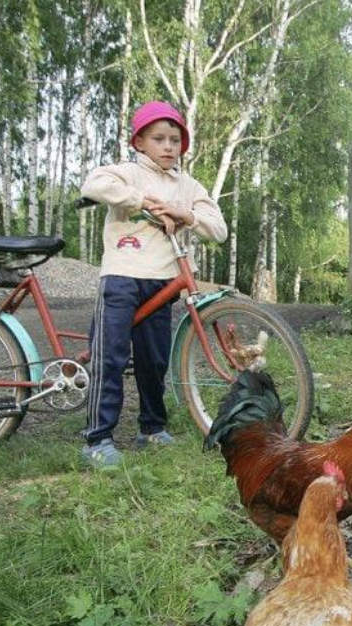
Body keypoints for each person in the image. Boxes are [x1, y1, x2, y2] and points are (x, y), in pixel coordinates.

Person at [78, 101, 228, 469]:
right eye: (158, 139)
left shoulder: (188, 185)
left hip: (162, 280)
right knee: (109, 356)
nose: (167, 147)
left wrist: (186, 215)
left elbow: (218, 229)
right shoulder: (128, 173)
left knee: (154, 359)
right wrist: (140, 200)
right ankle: (98, 437)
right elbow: (94, 183)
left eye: (175, 140)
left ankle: (151, 427)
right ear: (139, 142)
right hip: (123, 274)